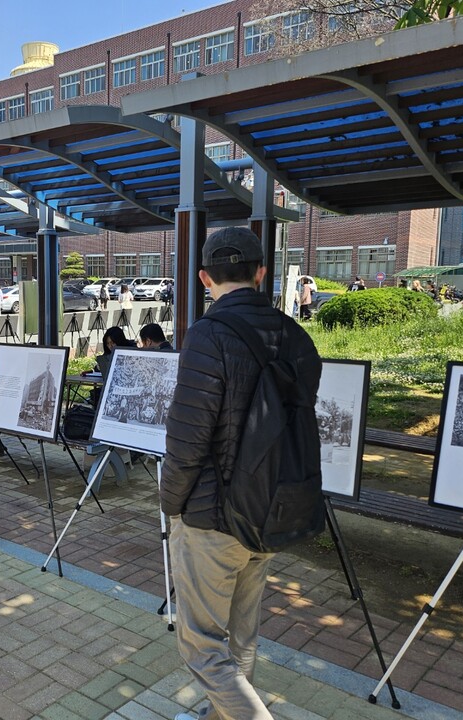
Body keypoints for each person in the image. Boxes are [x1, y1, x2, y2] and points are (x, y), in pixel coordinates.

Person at [162, 226, 321, 720]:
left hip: (212, 517)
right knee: (243, 633)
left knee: (201, 644)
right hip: (270, 508)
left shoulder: (207, 335)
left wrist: (171, 504)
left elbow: (188, 438)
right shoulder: (296, 336)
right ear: (261, 273)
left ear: (206, 277)